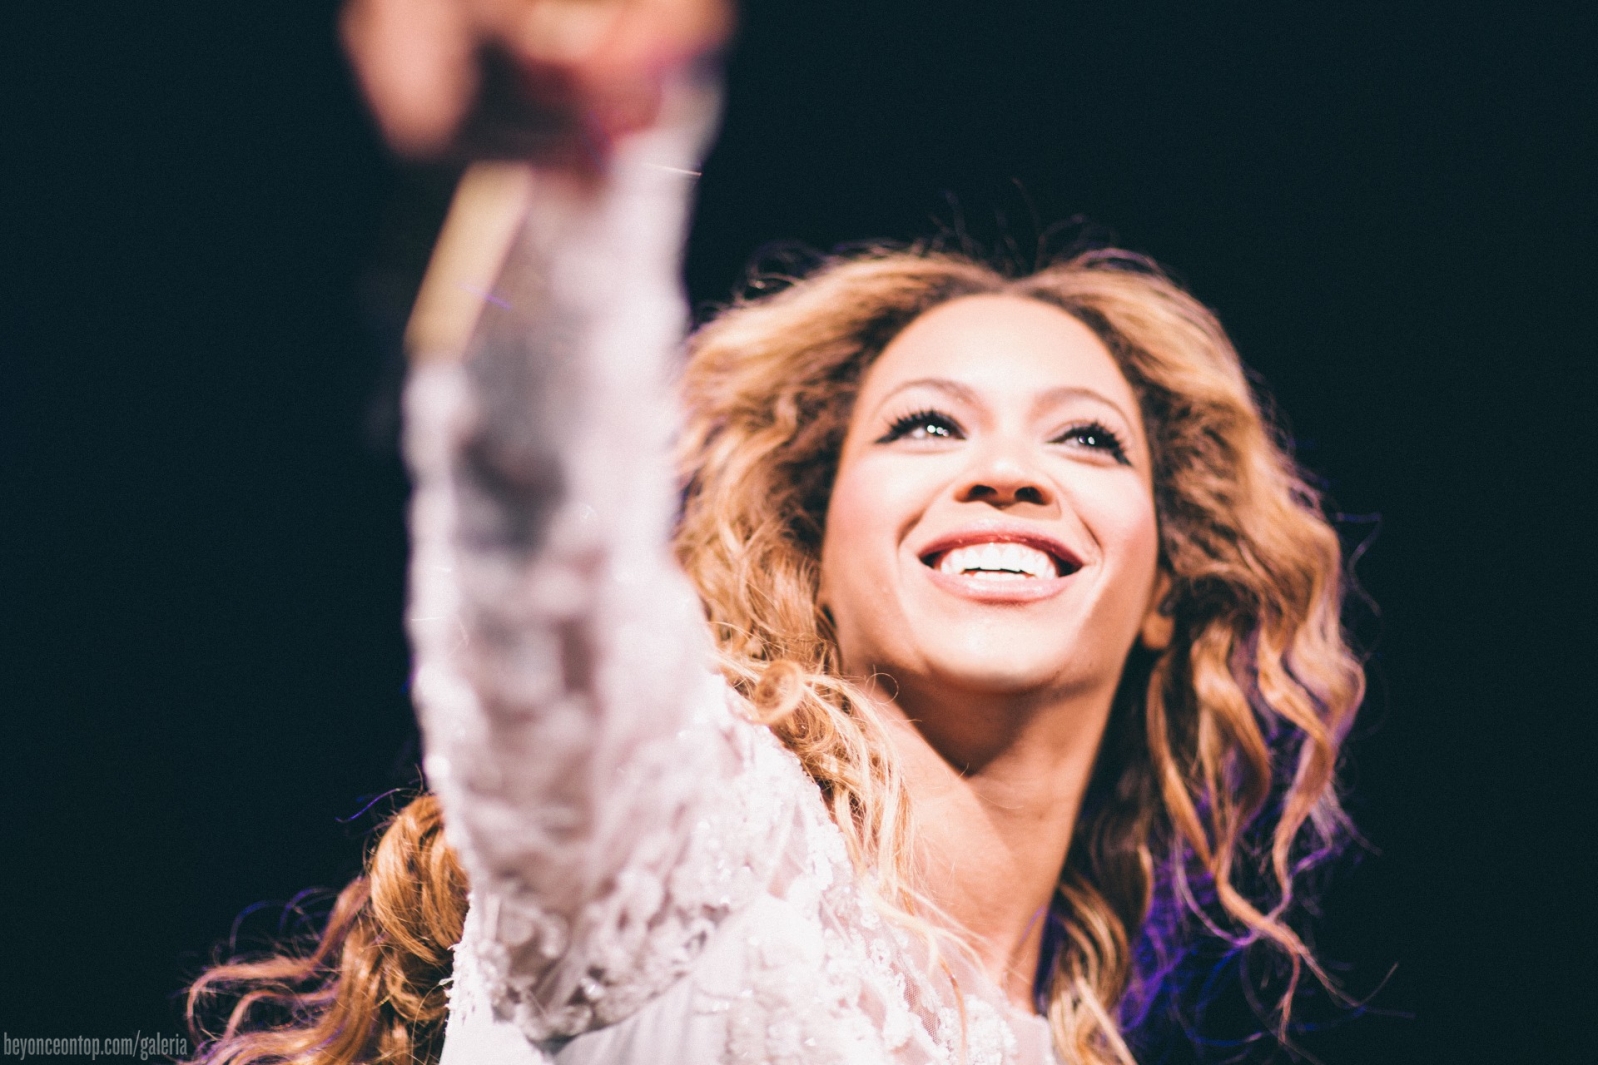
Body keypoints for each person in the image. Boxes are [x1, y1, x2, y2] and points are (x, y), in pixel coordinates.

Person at [187, 3, 1363, 1063]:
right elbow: (541, 548)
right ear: (819, 542)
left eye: (1087, 441)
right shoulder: (681, 844)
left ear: (1167, 580)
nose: (1007, 474)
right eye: (924, 426)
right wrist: (571, 165)